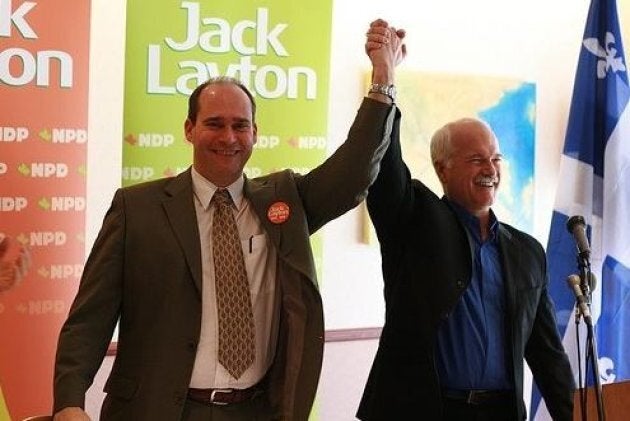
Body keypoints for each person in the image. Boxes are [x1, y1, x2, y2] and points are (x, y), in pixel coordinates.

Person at [52, 20, 406, 421]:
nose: (229, 137)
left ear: (255, 133)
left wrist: (383, 80)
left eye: (240, 125)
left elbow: (354, 172)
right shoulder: (136, 209)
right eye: (214, 124)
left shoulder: (284, 205)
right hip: (157, 410)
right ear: (189, 129)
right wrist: (68, 402)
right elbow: (89, 318)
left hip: (255, 411)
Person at [359, 22, 574, 421]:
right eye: (476, 159)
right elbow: (383, 168)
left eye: (495, 158)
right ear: (443, 169)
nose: (490, 168)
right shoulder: (414, 220)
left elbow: (546, 353)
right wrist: (385, 76)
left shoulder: (526, 250)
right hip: (426, 410)